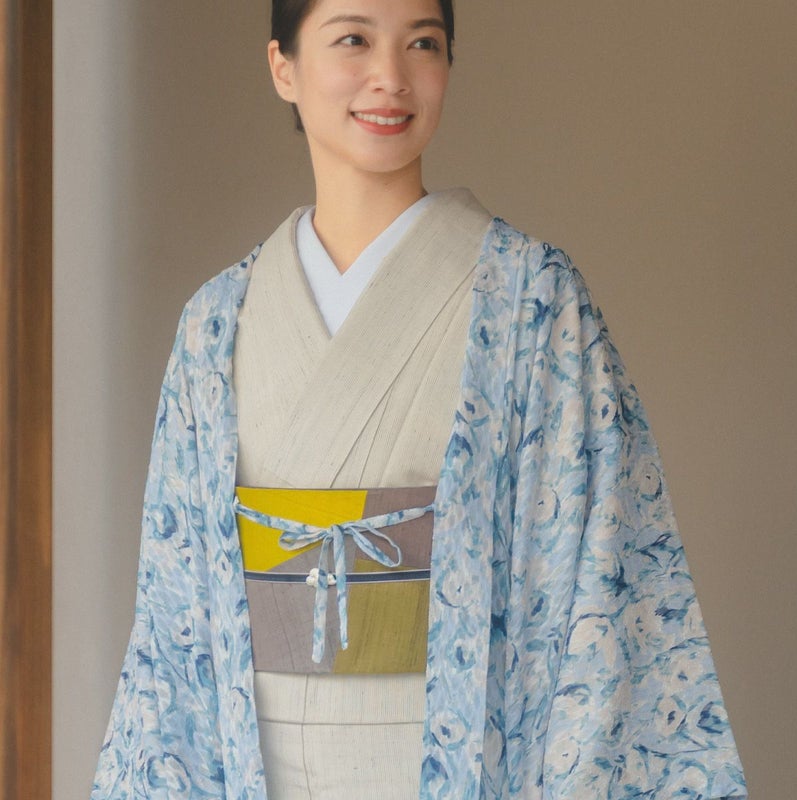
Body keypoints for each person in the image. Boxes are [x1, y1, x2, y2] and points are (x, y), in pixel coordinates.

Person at [92, 1, 747, 798]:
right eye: (354, 39)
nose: (392, 77)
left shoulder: (531, 301)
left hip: (473, 766)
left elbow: (598, 578)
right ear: (283, 67)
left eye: (423, 44)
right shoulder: (216, 323)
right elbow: (176, 627)